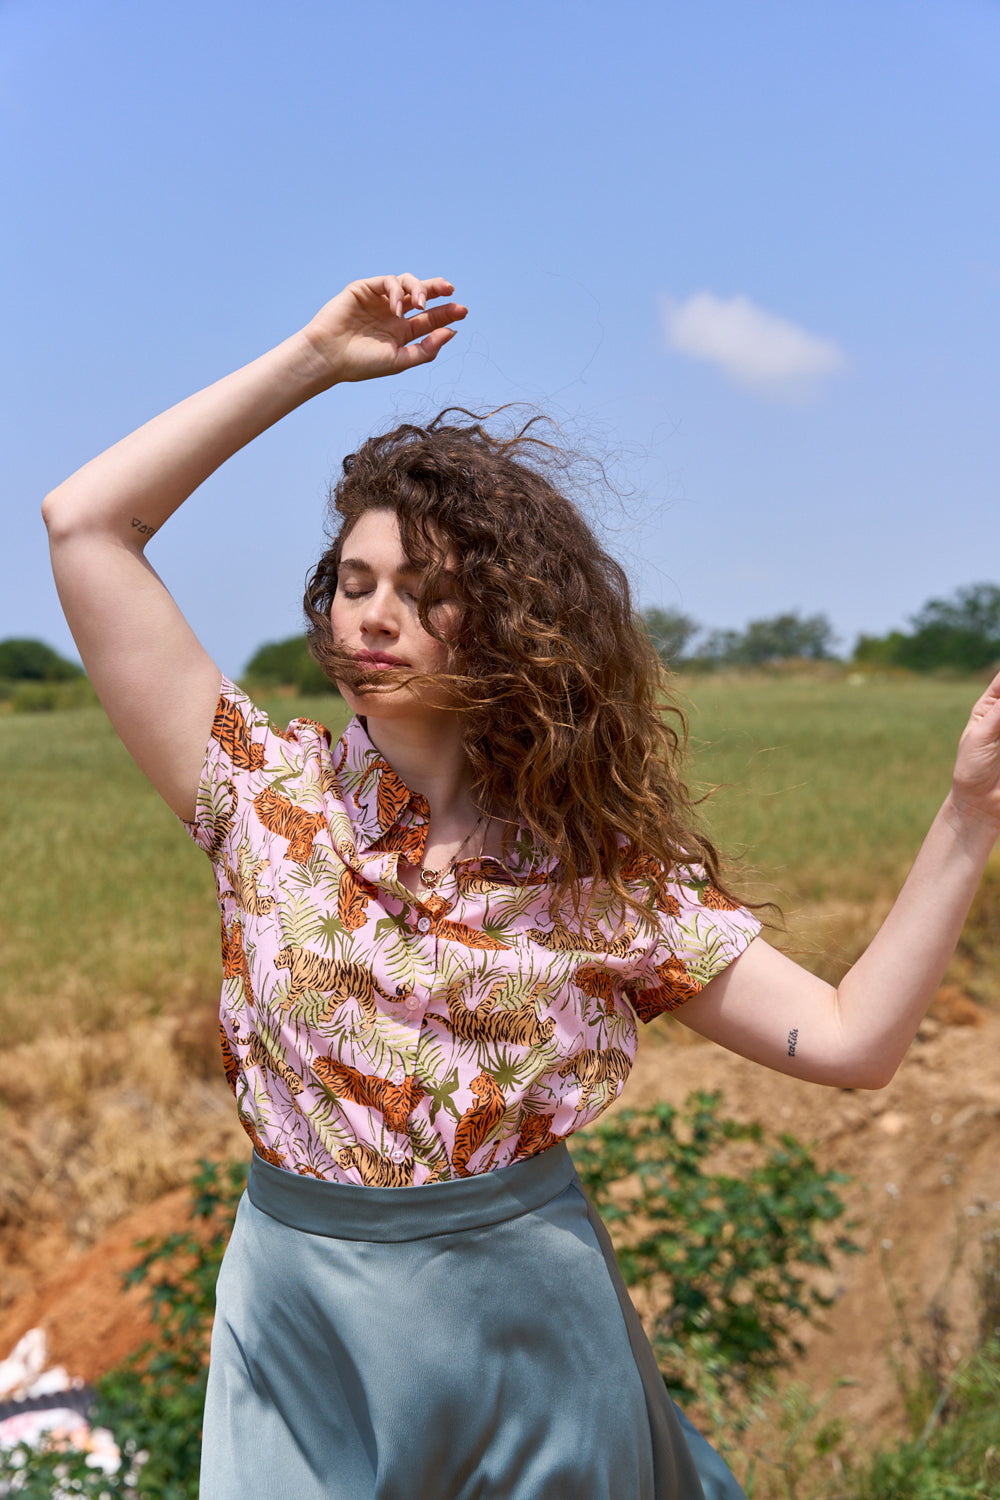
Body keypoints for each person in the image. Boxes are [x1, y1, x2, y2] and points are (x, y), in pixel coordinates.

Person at [43, 274, 1000, 1500]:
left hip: (526, 1327)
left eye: (425, 589)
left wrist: (970, 810)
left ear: (504, 625)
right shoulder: (259, 794)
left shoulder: (600, 885)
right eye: (354, 580)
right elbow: (86, 525)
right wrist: (315, 360)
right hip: (298, 1322)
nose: (375, 615)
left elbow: (855, 1042)